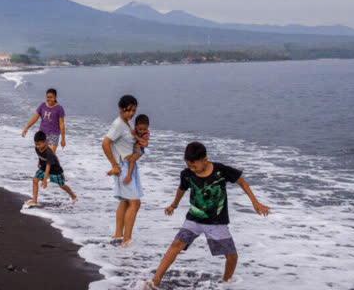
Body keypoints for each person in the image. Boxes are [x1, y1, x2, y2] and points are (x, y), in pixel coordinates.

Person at [146, 142, 270, 288]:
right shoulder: (187, 174)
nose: (192, 169)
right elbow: (182, 189)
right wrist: (174, 205)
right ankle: (155, 281)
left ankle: (226, 283)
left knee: (232, 257)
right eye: (189, 166)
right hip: (193, 219)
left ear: (205, 160)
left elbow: (241, 182)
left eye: (194, 166)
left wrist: (256, 203)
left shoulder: (220, 170)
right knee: (175, 245)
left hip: (217, 223)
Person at [102, 94, 143, 246]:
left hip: (130, 166)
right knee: (135, 203)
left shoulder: (129, 124)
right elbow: (105, 143)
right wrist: (114, 165)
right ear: (121, 109)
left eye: (133, 110)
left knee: (125, 202)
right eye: (128, 110)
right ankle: (126, 239)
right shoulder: (118, 124)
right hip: (123, 167)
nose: (131, 113)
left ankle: (118, 235)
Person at [25, 131, 77, 206]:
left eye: (39, 144)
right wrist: (39, 163)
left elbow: (48, 166)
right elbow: (40, 157)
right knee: (35, 180)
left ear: (45, 142)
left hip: (56, 170)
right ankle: (34, 201)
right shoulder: (37, 149)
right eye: (36, 144)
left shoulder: (49, 152)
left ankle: (73, 196)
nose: (37, 146)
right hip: (44, 167)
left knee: (62, 185)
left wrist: (45, 179)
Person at [21, 88, 66, 153]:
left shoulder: (59, 108)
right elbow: (35, 118)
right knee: (43, 157)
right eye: (48, 97)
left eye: (51, 97)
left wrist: (63, 139)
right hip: (42, 134)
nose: (49, 99)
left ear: (55, 97)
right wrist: (26, 128)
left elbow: (61, 125)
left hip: (54, 134)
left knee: (50, 155)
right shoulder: (42, 106)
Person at [123, 114, 150, 185]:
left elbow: (144, 143)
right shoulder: (134, 129)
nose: (142, 131)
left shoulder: (146, 134)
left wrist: (135, 135)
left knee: (131, 160)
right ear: (135, 126)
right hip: (132, 148)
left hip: (139, 151)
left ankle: (129, 176)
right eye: (140, 129)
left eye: (145, 129)